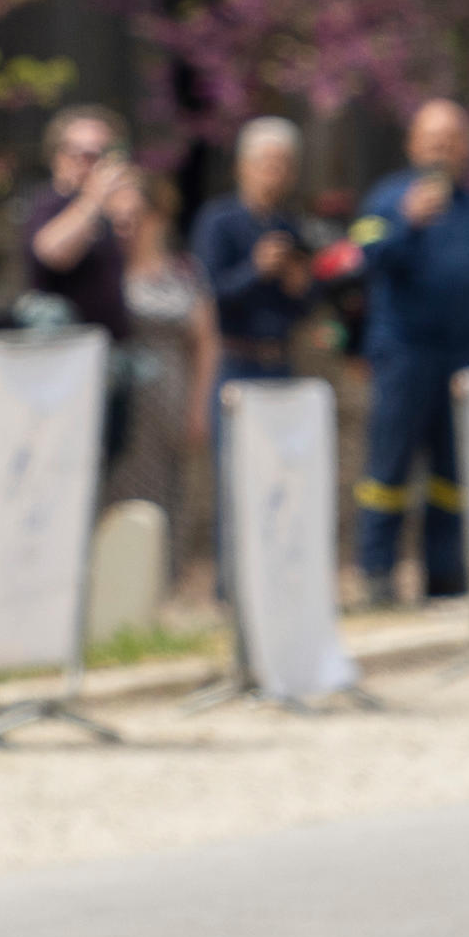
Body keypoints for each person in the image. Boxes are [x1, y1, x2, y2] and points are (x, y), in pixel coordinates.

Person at [349, 99, 469, 603]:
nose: (441, 148)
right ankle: (377, 576)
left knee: (452, 475)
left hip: (461, 361)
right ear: (414, 145)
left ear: (465, 149)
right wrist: (406, 223)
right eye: (432, 139)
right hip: (402, 354)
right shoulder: (385, 200)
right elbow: (363, 260)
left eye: (451, 139)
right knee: (388, 468)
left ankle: (446, 576)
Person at [190, 116, 316, 597]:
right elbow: (211, 294)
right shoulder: (219, 221)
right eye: (267, 162)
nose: (275, 173)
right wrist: (256, 269)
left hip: (279, 361)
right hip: (235, 362)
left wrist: (297, 285)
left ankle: (276, 579)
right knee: (235, 477)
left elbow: (303, 306)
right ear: (244, 166)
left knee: (280, 476)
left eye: (284, 164)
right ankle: (232, 587)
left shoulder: (289, 226)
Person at [103, 171, 220, 571]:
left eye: (134, 216)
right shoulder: (101, 272)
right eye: (115, 218)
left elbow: (205, 341)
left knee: (167, 492)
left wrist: (200, 407)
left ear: (157, 216)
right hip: (115, 398)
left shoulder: (184, 271)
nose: (126, 226)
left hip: (169, 391)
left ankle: (163, 581)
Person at [23, 104, 139, 342]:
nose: (86, 163)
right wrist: (94, 198)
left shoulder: (109, 208)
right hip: (64, 353)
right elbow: (52, 251)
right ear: (57, 156)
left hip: (109, 348)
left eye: (98, 154)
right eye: (77, 152)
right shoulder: (50, 203)